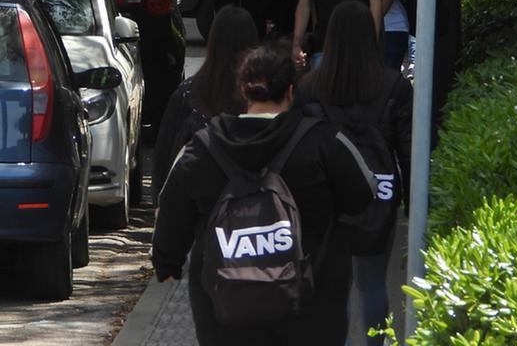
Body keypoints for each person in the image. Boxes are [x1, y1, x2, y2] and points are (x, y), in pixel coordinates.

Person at [152, 41, 376, 346]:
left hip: (225, 310)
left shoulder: (201, 149)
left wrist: (168, 265)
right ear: (291, 92)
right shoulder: (324, 142)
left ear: (243, 91)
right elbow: (364, 195)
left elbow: (171, 215)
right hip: (312, 305)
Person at [296, 2, 413, 346]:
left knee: (333, 287)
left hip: (326, 201)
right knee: (373, 283)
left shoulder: (309, 89)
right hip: (380, 195)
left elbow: (301, 148)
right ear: (372, 35)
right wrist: (413, 200)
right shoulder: (394, 87)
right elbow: (407, 149)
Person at [151, 5, 259, 192]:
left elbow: (163, 160)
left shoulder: (189, 93)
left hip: (196, 202)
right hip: (250, 210)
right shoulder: (262, 95)